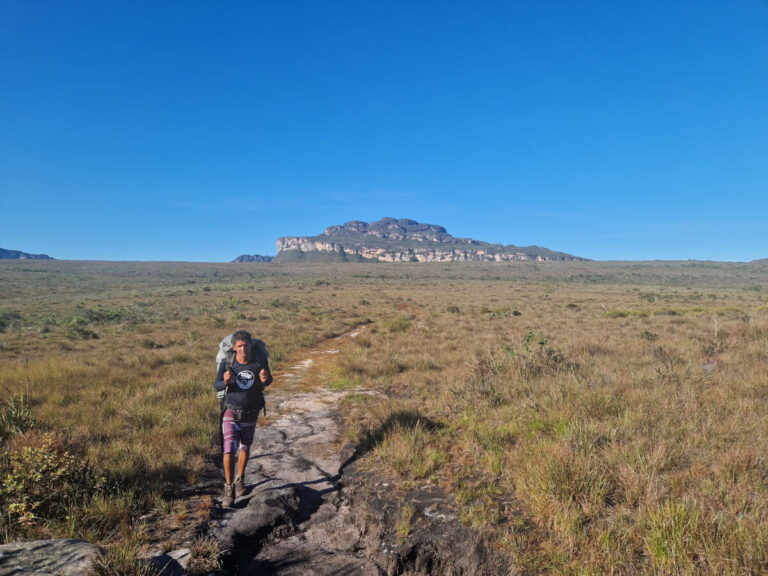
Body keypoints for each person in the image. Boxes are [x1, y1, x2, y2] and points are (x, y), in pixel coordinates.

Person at [213, 329, 272, 507]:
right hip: (231, 410)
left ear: (250, 345)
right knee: (229, 449)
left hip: (251, 411)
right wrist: (224, 381)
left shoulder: (259, 361)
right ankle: (229, 488)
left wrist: (266, 379)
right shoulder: (227, 362)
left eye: (245, 345)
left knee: (245, 448)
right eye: (239, 346)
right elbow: (217, 386)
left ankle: (240, 479)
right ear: (234, 347)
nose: (243, 349)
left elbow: (267, 381)